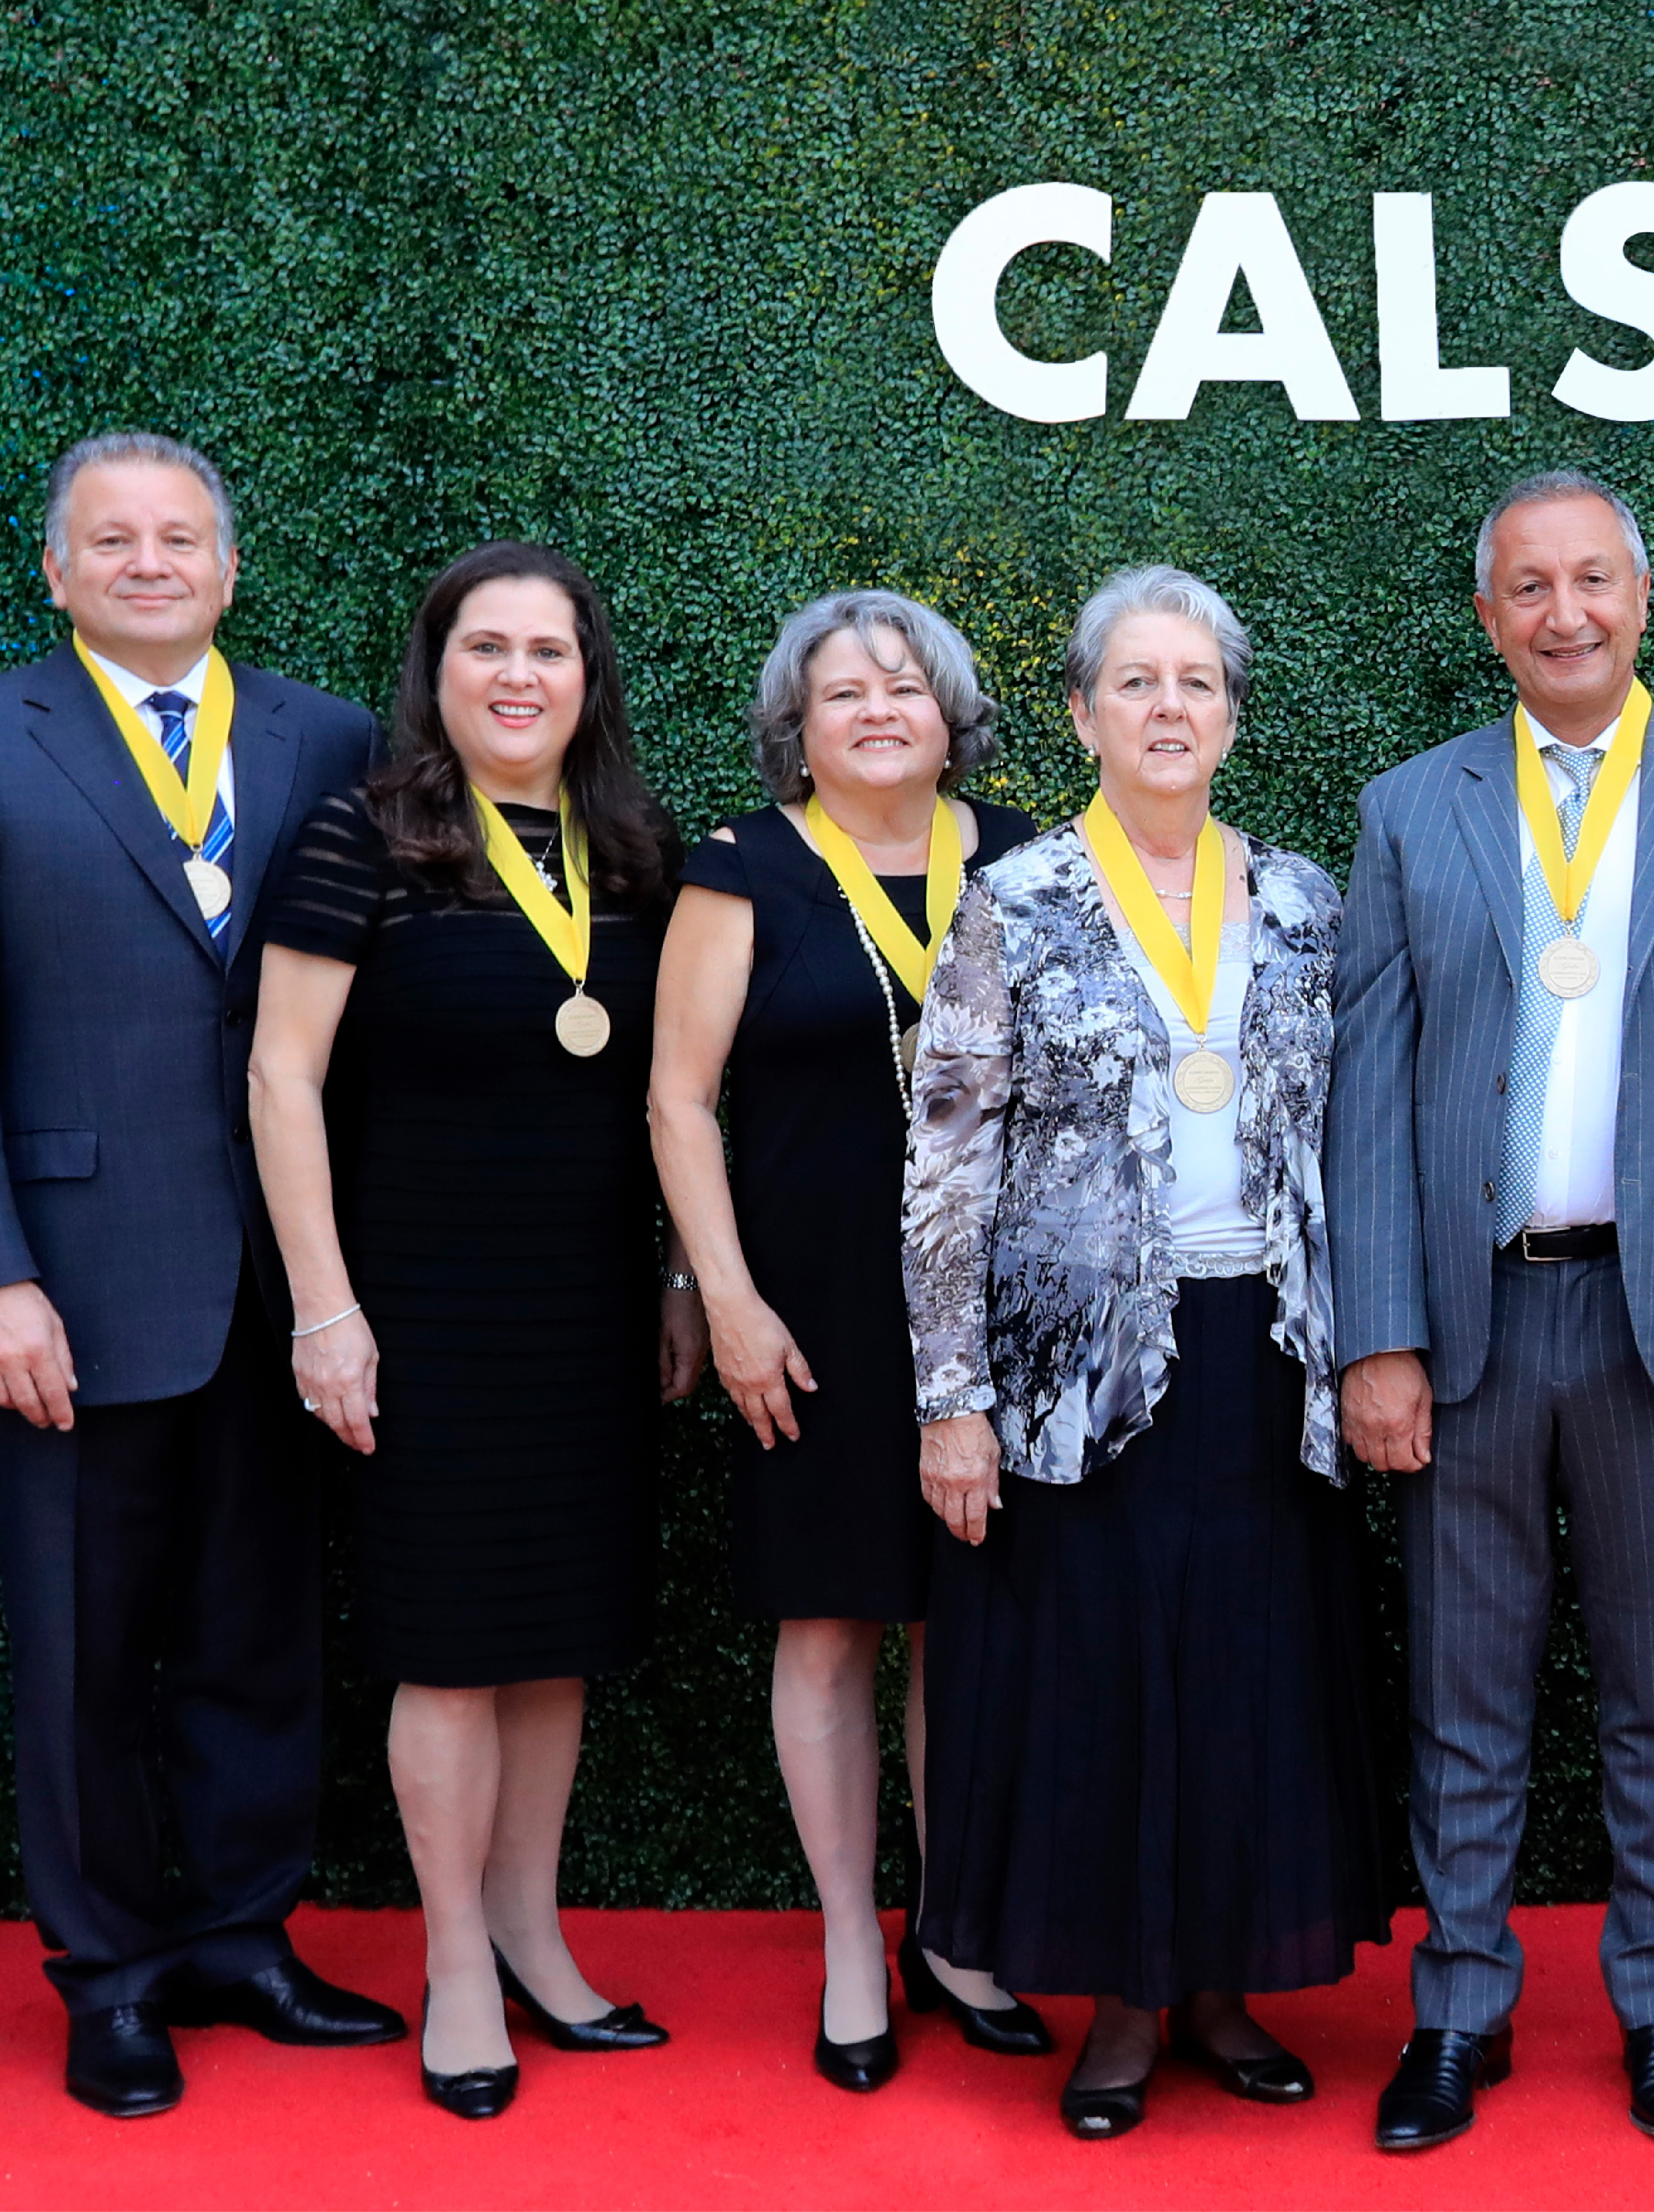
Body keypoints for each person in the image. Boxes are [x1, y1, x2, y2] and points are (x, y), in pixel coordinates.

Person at [0, 432, 403, 2118]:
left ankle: (244, 1932)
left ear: (231, 569)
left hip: (283, 1278)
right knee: (83, 1647)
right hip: (67, 1285)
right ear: (58, 572)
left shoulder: (330, 737)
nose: (150, 562)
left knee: (258, 1626)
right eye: (114, 541)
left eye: (181, 539)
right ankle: (110, 1973)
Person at [1327, 470, 1654, 2152]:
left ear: (1640, 595)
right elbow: (1367, 1090)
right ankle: (1457, 2008)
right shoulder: (1409, 807)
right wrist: (1375, 1334)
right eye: (1528, 588)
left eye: (1592, 580)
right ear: (1489, 618)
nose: (1563, 614)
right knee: (1461, 1692)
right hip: (1468, 1326)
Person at [902, 564, 1385, 2141]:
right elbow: (949, 1158)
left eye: (1197, 683)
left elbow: (1357, 1140)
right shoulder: (1017, 900)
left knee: (1253, 1668)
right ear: (1082, 712)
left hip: (1269, 1352)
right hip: (1079, 1369)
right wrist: (951, 1400)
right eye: (1138, 682)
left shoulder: (1310, 901)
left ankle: (1229, 1983)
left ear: (1232, 715)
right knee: (1102, 1679)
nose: (1168, 708)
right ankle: (1119, 2001)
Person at [247, 540, 699, 2118]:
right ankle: (453, 1962)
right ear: (435, 671)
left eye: (550, 652)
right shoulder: (358, 835)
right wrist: (324, 1306)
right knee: (446, 1644)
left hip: (582, 1300)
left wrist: (683, 1279)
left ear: (591, 682)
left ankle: (531, 1931)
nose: (519, 677)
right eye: (486, 648)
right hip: (417, 1302)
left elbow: (671, 1097)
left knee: (554, 1635)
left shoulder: (634, 854)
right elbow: (281, 1077)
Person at [649, 589, 1051, 2089]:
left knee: (970, 1621)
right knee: (827, 1622)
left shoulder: (1026, 856)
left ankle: (957, 1933)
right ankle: (843, 1939)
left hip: (999, 1314)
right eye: (843, 693)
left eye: (905, 686)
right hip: (806, 1305)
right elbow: (678, 1101)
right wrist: (725, 1294)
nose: (878, 709)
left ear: (952, 715)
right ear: (794, 728)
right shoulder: (743, 871)